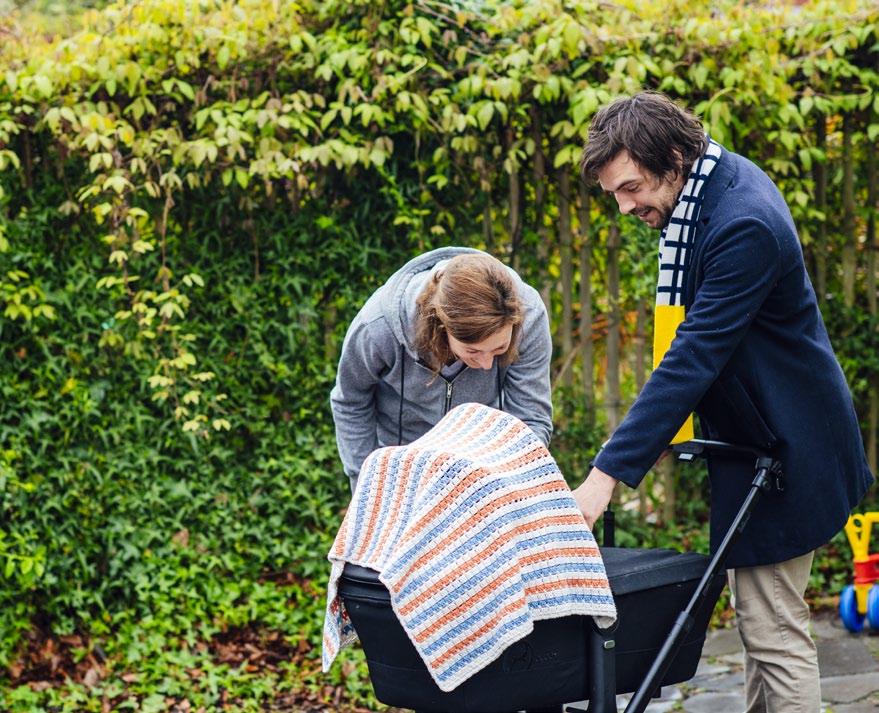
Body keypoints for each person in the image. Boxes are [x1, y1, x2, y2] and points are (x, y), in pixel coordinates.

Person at [573, 92, 874, 712]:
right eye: (615, 194)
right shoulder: (710, 188)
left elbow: (693, 357)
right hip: (758, 439)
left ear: (675, 157)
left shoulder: (743, 224)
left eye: (631, 187)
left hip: (793, 444)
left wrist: (606, 475)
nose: (626, 206)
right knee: (762, 622)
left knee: (774, 630)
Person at [331, 246, 553, 493]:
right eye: (473, 351)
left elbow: (530, 417)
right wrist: (367, 486)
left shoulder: (530, 317)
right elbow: (351, 401)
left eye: (499, 349)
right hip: (402, 471)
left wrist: (512, 488)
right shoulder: (377, 326)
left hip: (483, 476)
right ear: (440, 327)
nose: (487, 364)